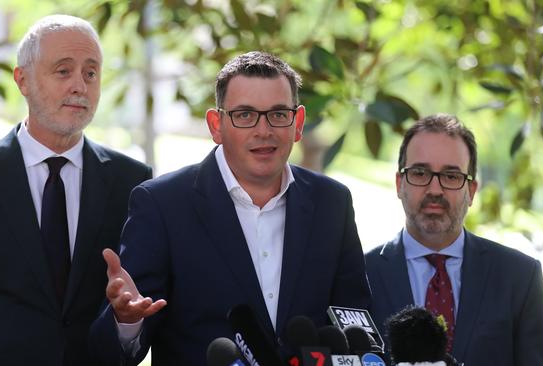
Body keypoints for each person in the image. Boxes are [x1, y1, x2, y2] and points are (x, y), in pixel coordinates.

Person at [90, 51, 371, 365]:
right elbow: (114, 350)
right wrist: (127, 321)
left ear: (298, 123)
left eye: (278, 114)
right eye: (245, 115)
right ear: (216, 125)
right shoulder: (162, 204)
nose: (263, 130)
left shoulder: (332, 202)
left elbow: (356, 324)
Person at [0, 15, 151, 366]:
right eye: (63, 71)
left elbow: (136, 319)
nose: (80, 85)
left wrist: (127, 321)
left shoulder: (132, 180)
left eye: (91, 73)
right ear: (23, 80)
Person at [365, 114, 543, 366]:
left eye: (451, 176)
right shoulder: (360, 275)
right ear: (400, 184)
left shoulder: (520, 278)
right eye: (420, 173)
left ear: (471, 190)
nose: (435, 190)